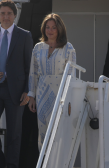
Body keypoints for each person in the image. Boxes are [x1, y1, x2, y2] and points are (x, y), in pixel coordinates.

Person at [0, 0, 33, 168]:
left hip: (16, 92)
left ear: (14, 15)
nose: (6, 17)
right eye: (2, 13)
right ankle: (0, 164)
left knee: (14, 134)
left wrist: (28, 90)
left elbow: (29, 67)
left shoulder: (24, 35)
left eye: (9, 13)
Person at [27, 14, 76, 149]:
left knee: (60, 132)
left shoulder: (68, 48)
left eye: (54, 27)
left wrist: (69, 98)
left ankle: (58, 167)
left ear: (59, 29)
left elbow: (71, 74)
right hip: (42, 95)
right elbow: (33, 72)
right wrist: (31, 96)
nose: (50, 30)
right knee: (43, 133)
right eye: (47, 27)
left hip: (61, 95)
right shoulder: (38, 47)